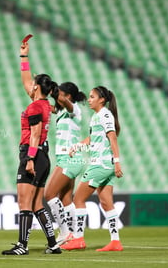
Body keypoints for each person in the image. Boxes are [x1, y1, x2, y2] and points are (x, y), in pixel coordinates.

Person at [1, 41, 61, 255]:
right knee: (36, 204)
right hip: (44, 156)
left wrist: (29, 160)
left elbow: (34, 134)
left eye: (33, 82)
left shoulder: (35, 106)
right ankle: (53, 244)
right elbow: (27, 82)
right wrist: (23, 57)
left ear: (37, 86)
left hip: (33, 154)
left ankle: (22, 246)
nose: (30, 84)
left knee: (24, 202)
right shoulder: (44, 104)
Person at [62, 85, 124, 251]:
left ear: (102, 99)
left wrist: (117, 162)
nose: (89, 100)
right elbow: (94, 138)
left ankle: (78, 238)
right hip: (106, 165)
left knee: (78, 199)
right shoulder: (98, 116)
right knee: (106, 203)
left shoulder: (104, 115)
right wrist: (77, 146)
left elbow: (113, 138)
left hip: (100, 164)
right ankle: (115, 241)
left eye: (92, 97)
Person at [44, 81, 87, 248]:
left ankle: (65, 232)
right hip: (67, 158)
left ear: (68, 96)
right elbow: (47, 106)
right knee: (65, 198)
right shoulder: (62, 111)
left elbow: (64, 102)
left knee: (49, 195)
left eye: (60, 93)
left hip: (70, 158)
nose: (57, 95)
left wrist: (55, 92)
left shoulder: (73, 108)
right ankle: (75, 237)